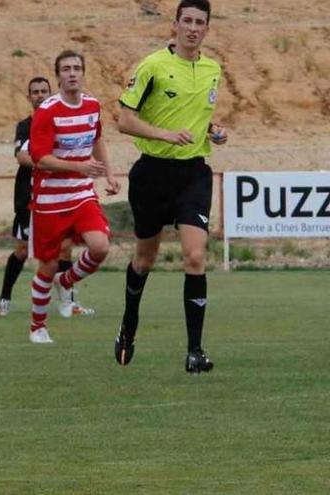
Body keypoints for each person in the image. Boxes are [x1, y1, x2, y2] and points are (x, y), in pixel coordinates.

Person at [115, 0, 227, 373]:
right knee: (145, 259)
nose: (193, 28)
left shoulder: (213, 69)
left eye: (200, 22)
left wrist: (214, 131)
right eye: (188, 21)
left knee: (195, 256)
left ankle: (195, 351)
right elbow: (124, 120)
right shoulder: (153, 66)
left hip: (193, 173)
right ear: (175, 25)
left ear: (207, 29)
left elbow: (198, 116)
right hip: (151, 174)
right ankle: (128, 327)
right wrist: (164, 134)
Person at [27, 50, 120, 344]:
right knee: (48, 264)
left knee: (101, 246)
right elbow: (40, 158)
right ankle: (37, 327)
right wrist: (80, 166)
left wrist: (109, 173)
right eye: (66, 68)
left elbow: (96, 138)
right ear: (58, 76)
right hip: (50, 201)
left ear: (83, 73)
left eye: (77, 68)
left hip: (80, 194)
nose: (72, 73)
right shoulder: (47, 111)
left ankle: (66, 282)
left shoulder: (92, 105)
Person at [0, 76, 94, 319]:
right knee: (21, 250)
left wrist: (58, 164)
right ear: (29, 97)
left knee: (65, 249)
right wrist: (51, 163)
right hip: (29, 197)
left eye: (43, 91)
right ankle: (4, 299)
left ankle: (69, 303)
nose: (39, 95)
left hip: (59, 196)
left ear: (51, 93)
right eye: (35, 92)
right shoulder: (25, 125)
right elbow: (22, 156)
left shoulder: (60, 121)